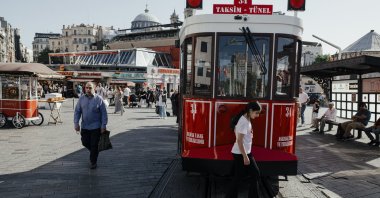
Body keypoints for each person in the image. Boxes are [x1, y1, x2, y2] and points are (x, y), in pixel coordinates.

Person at [226, 102, 261, 198]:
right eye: (256, 113)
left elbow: (237, 132)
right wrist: (245, 157)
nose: (257, 115)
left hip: (243, 152)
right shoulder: (243, 122)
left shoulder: (246, 118)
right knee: (255, 174)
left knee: (239, 177)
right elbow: (239, 141)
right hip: (241, 153)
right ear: (250, 111)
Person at [74, 82, 108, 169]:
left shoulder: (99, 99)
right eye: (86, 88)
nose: (88, 90)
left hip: (96, 126)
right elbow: (77, 111)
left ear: (94, 88)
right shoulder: (81, 99)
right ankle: (94, 151)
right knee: (84, 142)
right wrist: (76, 123)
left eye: (90, 88)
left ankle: (93, 162)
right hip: (85, 126)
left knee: (94, 144)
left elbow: (104, 113)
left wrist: (103, 125)